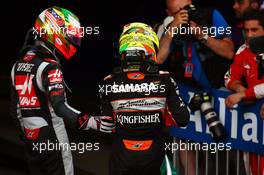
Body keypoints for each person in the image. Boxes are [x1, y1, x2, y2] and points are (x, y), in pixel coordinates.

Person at [10, 6, 114, 175]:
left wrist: (28, 136)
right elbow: (60, 107)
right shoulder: (51, 66)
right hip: (54, 139)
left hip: (32, 140)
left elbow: (15, 111)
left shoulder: (18, 64)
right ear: (53, 31)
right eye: (69, 33)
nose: (73, 38)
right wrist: (94, 122)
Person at [99, 22, 190, 175]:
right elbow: (182, 119)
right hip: (154, 157)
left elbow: (106, 128)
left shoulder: (108, 82)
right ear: (150, 48)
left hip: (121, 157)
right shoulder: (166, 80)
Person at [225, 9, 264, 175]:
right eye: (246, 30)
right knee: (252, 167)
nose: (249, 35)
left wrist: (243, 94)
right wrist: (242, 90)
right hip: (254, 124)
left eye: (254, 30)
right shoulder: (243, 49)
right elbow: (228, 77)